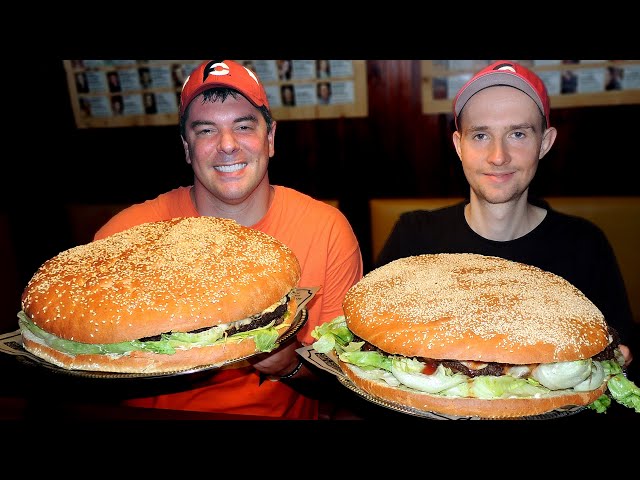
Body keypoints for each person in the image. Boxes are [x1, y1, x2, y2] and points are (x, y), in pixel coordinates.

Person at [93, 59, 364, 419]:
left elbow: (350, 382)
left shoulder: (326, 228)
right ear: (187, 148)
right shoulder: (124, 236)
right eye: (206, 131)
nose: (227, 145)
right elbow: (91, 373)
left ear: (269, 139)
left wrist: (288, 364)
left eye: (243, 126)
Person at [376, 60, 634, 368]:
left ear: (545, 143)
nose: (498, 156)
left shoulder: (586, 245)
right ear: (459, 146)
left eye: (518, 134)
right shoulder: (413, 237)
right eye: (481, 135)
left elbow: (618, 359)